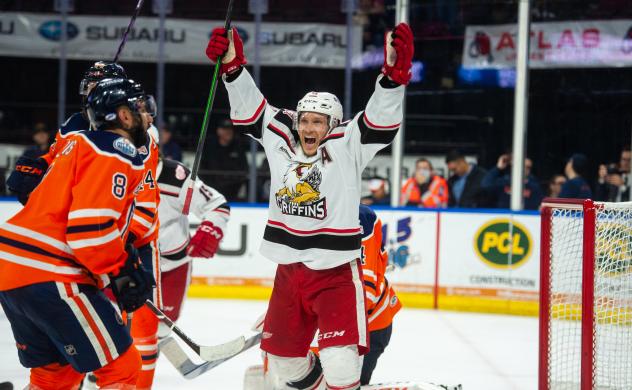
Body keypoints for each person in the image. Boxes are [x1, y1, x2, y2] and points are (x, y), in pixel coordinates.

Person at [206, 20, 411, 389]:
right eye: (305, 120)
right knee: (285, 364)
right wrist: (232, 69)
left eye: (318, 122)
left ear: (332, 124)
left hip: (334, 273)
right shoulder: (283, 137)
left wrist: (392, 78)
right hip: (289, 271)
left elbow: (378, 122)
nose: (309, 127)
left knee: (341, 364)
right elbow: (254, 110)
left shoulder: (348, 143)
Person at [0, 78, 155, 389]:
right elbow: (90, 232)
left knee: (55, 377)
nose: (148, 115)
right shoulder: (115, 151)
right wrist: (122, 268)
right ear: (124, 116)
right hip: (51, 273)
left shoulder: (75, 143)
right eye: (141, 108)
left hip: (12, 269)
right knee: (122, 368)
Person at [244, 205, 401, 388]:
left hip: (368, 323)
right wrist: (286, 316)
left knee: (338, 372)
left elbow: (365, 292)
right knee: (286, 362)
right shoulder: (303, 214)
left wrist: (316, 317)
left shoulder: (360, 218)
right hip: (329, 317)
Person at [7, 61, 127, 205]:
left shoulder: (132, 128)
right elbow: (57, 154)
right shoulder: (74, 122)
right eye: (88, 87)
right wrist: (41, 166)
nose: (89, 93)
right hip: (66, 208)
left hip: (103, 208)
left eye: (94, 87)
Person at [155, 157, 231, 326]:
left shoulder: (176, 177)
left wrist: (211, 228)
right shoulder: (113, 171)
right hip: (128, 263)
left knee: (162, 326)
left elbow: (217, 205)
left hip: (172, 264)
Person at [201, 118, 249, 200]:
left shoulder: (238, 147)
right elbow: (203, 170)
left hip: (233, 190)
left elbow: (244, 170)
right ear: (218, 130)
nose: (228, 132)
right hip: (212, 191)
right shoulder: (210, 148)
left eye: (230, 129)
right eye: (225, 129)